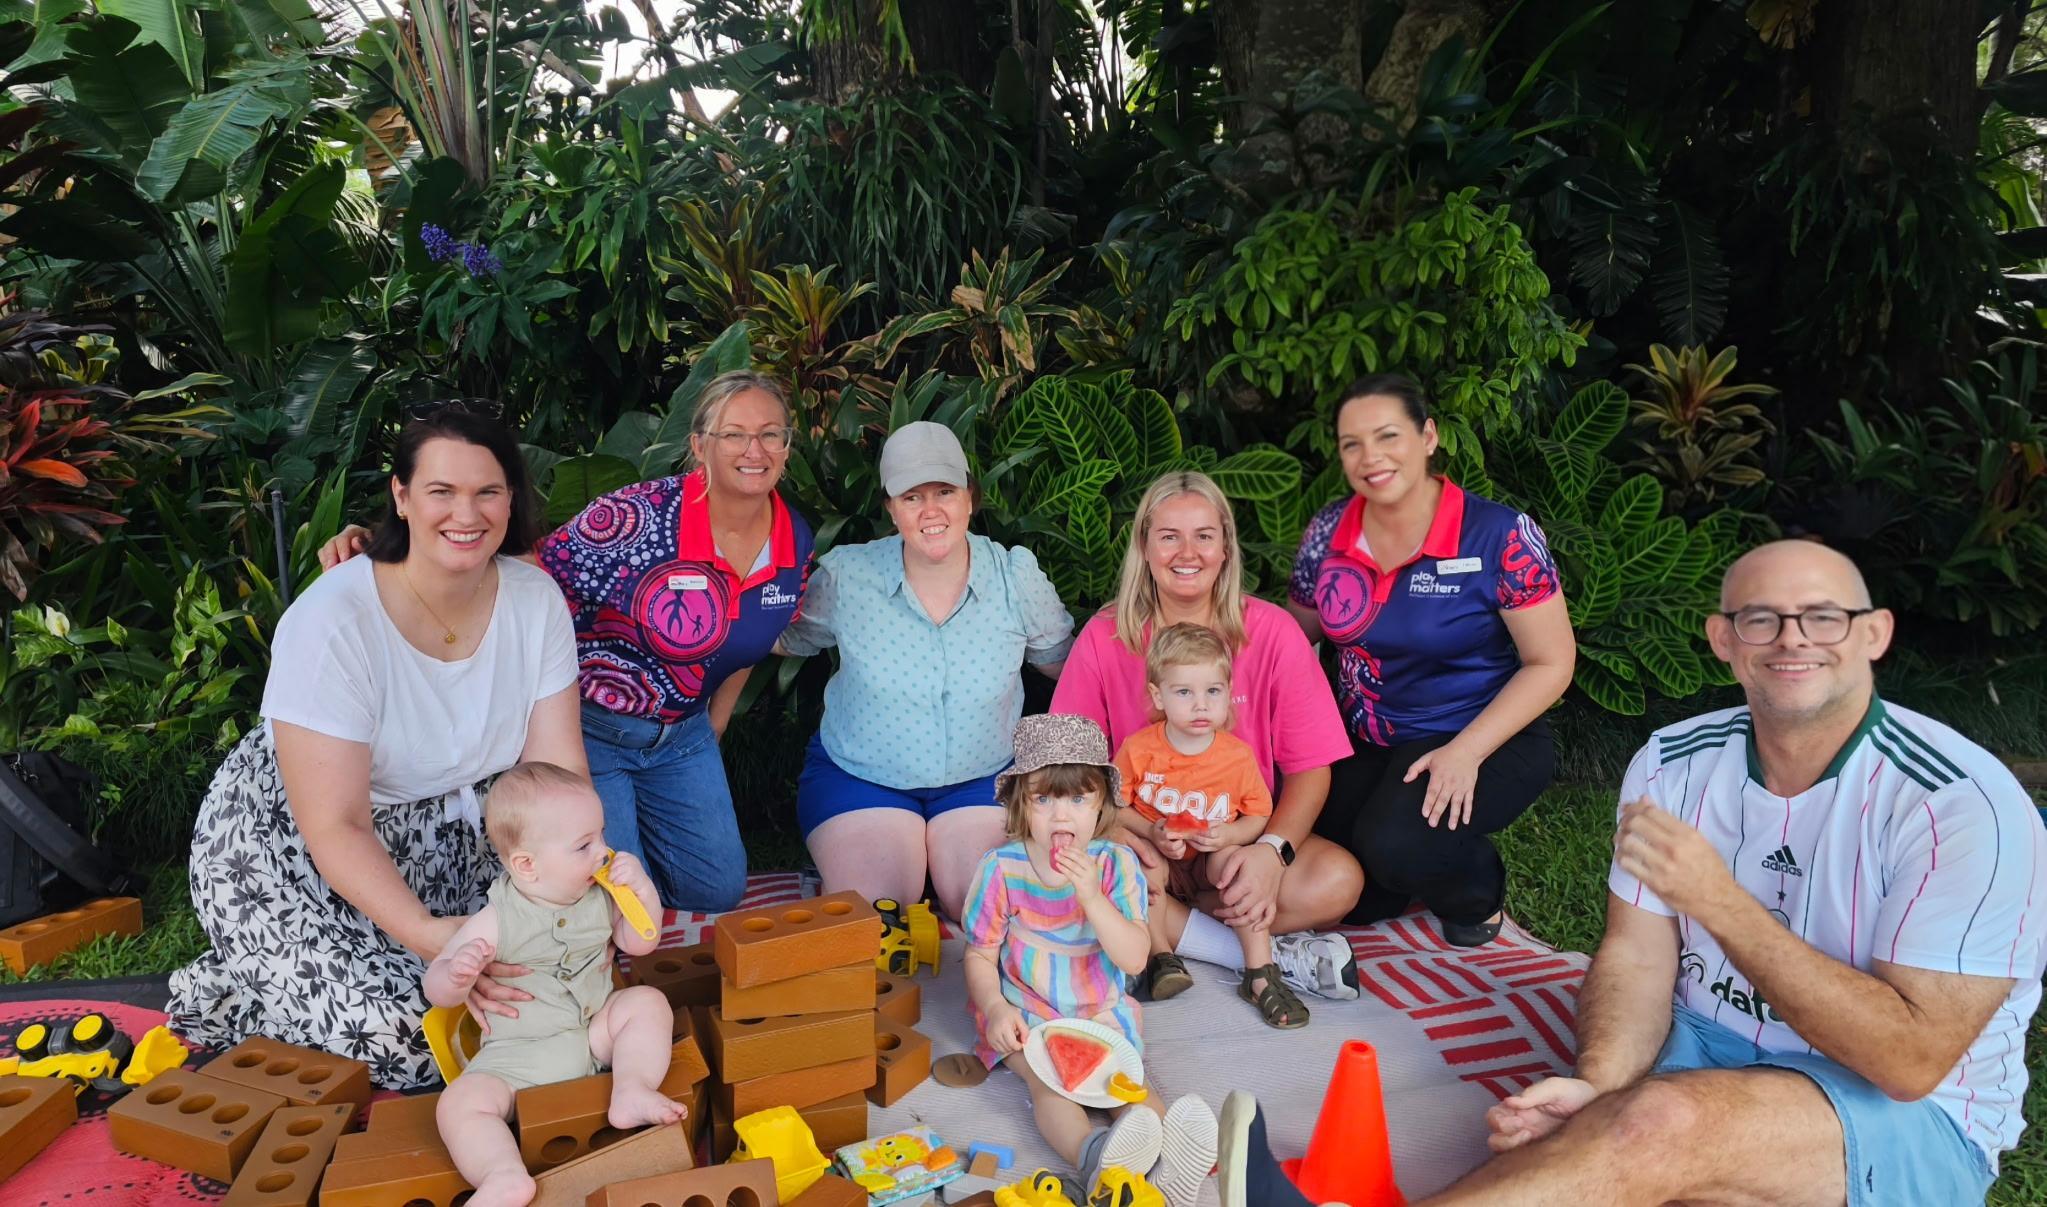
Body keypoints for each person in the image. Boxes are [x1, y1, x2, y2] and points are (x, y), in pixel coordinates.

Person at [1420, 541, 2047, 1206]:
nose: (1790, 638)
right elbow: (1636, 956)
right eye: (1760, 618)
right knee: (1623, 1136)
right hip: (1702, 1051)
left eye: (1822, 616)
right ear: (1722, 638)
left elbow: (1909, 1062)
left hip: (1908, 1110)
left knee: (1656, 1126)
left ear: (1874, 633)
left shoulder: (1959, 804)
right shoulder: (1672, 761)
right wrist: (1599, 1087)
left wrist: (1717, 900)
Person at [169, 404, 588, 1089]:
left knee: (551, 997)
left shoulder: (534, 600)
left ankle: (285, 977)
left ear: (512, 497)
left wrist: (581, 868)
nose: (468, 512)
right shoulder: (333, 620)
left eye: (488, 491)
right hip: (299, 845)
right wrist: (434, 937)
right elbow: (336, 823)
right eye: (441, 491)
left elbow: (558, 769)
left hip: (454, 835)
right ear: (401, 496)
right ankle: (245, 977)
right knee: (414, 1036)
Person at [319, 372, 814, 912]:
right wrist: (388, 545)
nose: (754, 450)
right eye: (734, 434)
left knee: (715, 892)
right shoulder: (639, 517)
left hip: (684, 735)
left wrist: (714, 726)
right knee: (603, 898)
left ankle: (643, 854)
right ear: (699, 446)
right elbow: (527, 567)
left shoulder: (793, 537)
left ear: (787, 446)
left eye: (771, 434)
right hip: (592, 728)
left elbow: (751, 635)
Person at [1051, 471, 1364, 1004]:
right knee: (1084, 868)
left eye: (1204, 535)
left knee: (1338, 880)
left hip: (1233, 842)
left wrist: (1270, 851)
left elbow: (1312, 767)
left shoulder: (1270, 632)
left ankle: (1162, 930)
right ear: (1144, 546)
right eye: (1169, 535)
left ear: (1225, 547)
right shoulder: (1106, 636)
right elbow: (1068, 764)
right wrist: (1120, 834)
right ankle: (1255, 954)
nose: (1187, 552)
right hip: (1142, 838)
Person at [1288, 374, 1574, 946]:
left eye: (1388, 436)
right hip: (1365, 737)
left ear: (1428, 437)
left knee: (1396, 845)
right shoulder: (1328, 532)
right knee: (1352, 893)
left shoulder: (1500, 535)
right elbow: (1294, 639)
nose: (1371, 457)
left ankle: (1477, 894)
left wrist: (1465, 752)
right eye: (1353, 443)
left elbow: (1551, 662)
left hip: (1481, 734)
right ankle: (1399, 870)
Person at [777, 421, 1072, 919]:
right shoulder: (849, 576)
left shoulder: (1015, 576)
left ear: (970, 498)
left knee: (981, 905)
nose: (931, 510)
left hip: (984, 777)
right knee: (875, 911)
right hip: (862, 777)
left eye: (944, 491)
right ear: (891, 509)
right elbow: (778, 638)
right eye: (911, 497)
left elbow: (1064, 667)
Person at [961, 713, 1220, 1207]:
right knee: (1049, 1088)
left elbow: (1135, 956)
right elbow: (979, 953)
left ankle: (1172, 1165)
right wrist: (995, 1007)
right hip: (1028, 1011)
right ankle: (1096, 1155)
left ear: (1102, 802)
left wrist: (1092, 898)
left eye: (1078, 799)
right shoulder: (1002, 868)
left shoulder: (1116, 865)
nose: (1063, 818)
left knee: (1130, 1089)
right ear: (1021, 803)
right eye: (1045, 799)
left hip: (1099, 1011)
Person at [428, 763, 682, 1207]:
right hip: (516, 1063)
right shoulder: (498, 918)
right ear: (527, 866)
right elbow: (437, 988)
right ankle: (503, 1175)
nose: (604, 853)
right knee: (458, 1103)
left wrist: (642, 890)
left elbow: (640, 942)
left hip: (594, 1035)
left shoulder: (602, 895)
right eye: (585, 845)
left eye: (602, 836)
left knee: (647, 1002)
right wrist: (454, 973)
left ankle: (631, 1087)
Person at [1112, 623, 1302, 1029]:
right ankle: (1160, 958)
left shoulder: (1235, 756)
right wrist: (1151, 831)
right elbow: (1112, 806)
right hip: (1161, 856)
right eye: (1184, 692)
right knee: (1138, 864)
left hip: (1208, 860)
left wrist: (1230, 835)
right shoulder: (1140, 749)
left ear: (1228, 692)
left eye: (1212, 692)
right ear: (1157, 695)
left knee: (1238, 865)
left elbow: (1258, 814)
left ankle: (1259, 972)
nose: (1201, 705)